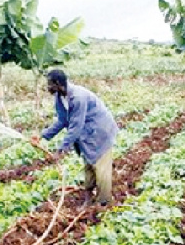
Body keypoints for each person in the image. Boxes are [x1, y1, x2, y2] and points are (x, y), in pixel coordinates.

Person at [31, 69, 119, 206]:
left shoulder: (78, 97)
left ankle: (103, 204)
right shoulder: (59, 97)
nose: (47, 87)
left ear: (58, 83)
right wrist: (42, 136)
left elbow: (75, 127)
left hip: (100, 131)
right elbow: (62, 121)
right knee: (89, 165)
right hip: (87, 133)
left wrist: (61, 150)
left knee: (101, 169)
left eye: (49, 84)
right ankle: (88, 200)